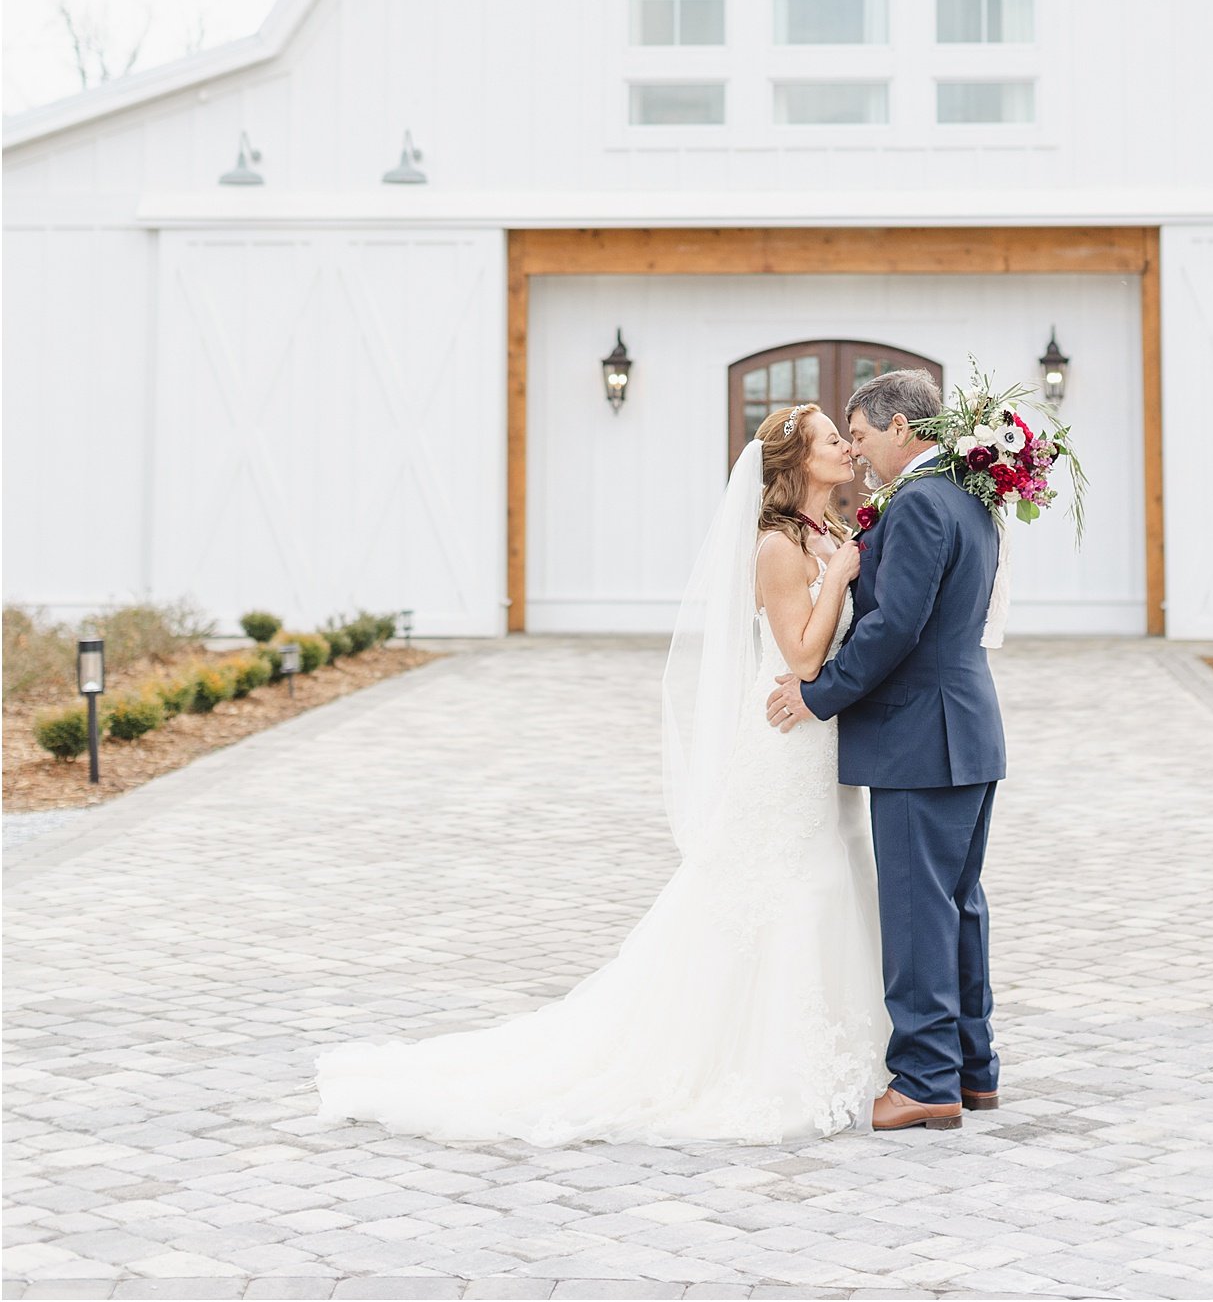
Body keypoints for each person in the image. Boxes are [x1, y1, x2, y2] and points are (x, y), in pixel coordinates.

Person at [314, 403, 889, 1146]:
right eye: (832, 441)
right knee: (786, 882)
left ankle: (842, 1053)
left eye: (846, 439)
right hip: (786, 739)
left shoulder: (832, 533)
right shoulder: (779, 547)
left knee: (831, 877)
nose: (847, 448)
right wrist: (839, 578)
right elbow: (802, 658)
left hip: (823, 741)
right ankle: (760, 1061)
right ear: (796, 462)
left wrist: (844, 564)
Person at [765, 368, 1006, 1134]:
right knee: (958, 905)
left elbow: (892, 628)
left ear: (901, 429)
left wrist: (817, 694)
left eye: (862, 435)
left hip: (918, 737)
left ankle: (926, 1080)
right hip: (962, 729)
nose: (858, 452)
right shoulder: (969, 498)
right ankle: (973, 1069)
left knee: (916, 912)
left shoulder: (920, 505)